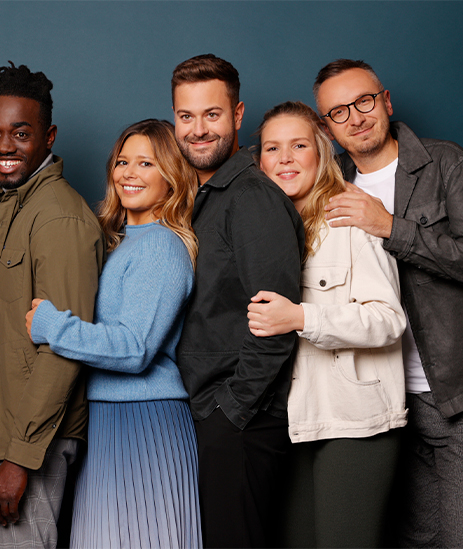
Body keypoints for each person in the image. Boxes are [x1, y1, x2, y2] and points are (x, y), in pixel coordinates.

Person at [0, 63, 105, 549]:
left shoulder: (60, 217)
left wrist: (19, 457)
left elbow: (64, 347)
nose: (4, 146)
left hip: (22, 447)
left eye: (20, 133)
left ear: (48, 136)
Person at [25, 119, 202, 548]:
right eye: (123, 162)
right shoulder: (121, 242)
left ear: (172, 176)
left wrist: (51, 326)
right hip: (108, 420)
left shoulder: (161, 246)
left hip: (144, 423)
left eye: (146, 163)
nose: (129, 173)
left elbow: (134, 348)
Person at [315, 59, 463, 548]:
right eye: (339, 111)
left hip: (454, 392)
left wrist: (390, 227)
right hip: (385, 399)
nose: (356, 118)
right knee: (411, 538)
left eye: (364, 101)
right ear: (327, 129)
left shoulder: (445, 163)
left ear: (386, 101)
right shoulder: (328, 184)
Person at [247, 100, 407, 548]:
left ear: (320, 152)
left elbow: (388, 319)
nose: (285, 158)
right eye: (272, 148)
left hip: (354, 421)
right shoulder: (264, 232)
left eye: (298, 145)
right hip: (292, 421)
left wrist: (302, 317)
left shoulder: (351, 219)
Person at [171, 54, 304, 548]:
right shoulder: (204, 195)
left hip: (240, 422)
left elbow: (276, 318)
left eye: (212, 114)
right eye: (186, 116)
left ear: (238, 114)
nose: (198, 130)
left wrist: (231, 412)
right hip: (208, 415)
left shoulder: (251, 197)